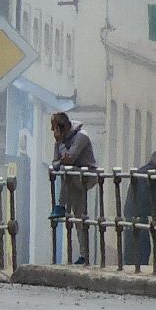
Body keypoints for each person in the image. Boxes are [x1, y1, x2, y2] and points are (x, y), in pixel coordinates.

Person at [50, 112, 98, 265]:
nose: (52, 131)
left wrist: (62, 160)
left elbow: (70, 159)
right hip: (72, 179)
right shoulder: (59, 142)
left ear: (61, 127)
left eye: (54, 128)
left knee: (67, 170)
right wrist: (61, 160)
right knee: (79, 217)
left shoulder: (81, 136)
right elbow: (55, 163)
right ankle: (84, 255)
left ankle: (60, 205)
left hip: (87, 175)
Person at [122, 149, 156, 267]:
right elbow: (150, 197)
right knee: (143, 246)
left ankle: (130, 265)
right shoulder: (153, 174)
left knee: (132, 244)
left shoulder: (142, 171)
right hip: (140, 213)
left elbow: (148, 197)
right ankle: (139, 266)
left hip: (131, 211)